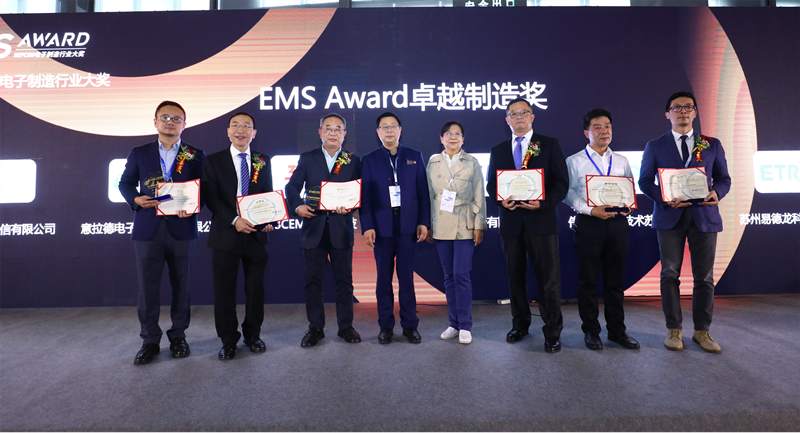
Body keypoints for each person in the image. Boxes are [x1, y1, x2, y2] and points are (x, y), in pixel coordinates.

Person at [639, 91, 731, 353]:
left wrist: (717, 193)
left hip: (704, 216)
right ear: (667, 114)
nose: (683, 111)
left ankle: (702, 331)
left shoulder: (711, 144)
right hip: (669, 216)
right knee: (670, 273)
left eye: (688, 107)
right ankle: (674, 330)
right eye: (677, 107)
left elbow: (724, 179)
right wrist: (665, 198)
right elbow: (645, 181)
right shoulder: (655, 146)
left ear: (695, 113)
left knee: (704, 277)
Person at [119, 100, 205, 365]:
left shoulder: (194, 154)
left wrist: (194, 206)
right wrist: (135, 199)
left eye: (176, 118)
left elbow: (204, 188)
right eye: (165, 117)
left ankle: (178, 336)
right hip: (148, 229)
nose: (170, 122)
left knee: (182, 285)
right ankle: (150, 340)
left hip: (182, 228)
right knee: (148, 288)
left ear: (184, 124)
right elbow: (125, 184)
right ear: (155, 121)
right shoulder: (140, 153)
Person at [486, 97, 568, 353]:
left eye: (524, 112)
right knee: (515, 278)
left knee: (548, 280)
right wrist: (501, 200)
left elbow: (561, 184)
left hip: (541, 224)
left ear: (532, 117)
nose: (519, 117)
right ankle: (520, 324)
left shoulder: (549, 144)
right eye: (514, 113)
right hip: (511, 225)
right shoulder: (499, 150)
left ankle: (552, 331)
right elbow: (491, 185)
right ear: (507, 120)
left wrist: (542, 203)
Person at [563, 108, 640, 351]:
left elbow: (629, 188)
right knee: (588, 281)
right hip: (589, 223)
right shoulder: (574, 161)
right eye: (597, 127)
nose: (604, 131)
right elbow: (567, 193)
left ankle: (617, 331)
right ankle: (591, 331)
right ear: (586, 132)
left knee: (615, 281)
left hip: (617, 224)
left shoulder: (621, 161)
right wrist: (590, 210)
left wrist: (629, 205)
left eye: (607, 126)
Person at [285, 113, 362, 348]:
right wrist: (297, 206)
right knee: (313, 281)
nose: (333, 132)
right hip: (314, 227)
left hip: (341, 228)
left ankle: (346, 327)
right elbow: (292, 187)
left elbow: (361, 193)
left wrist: (351, 206)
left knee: (344, 281)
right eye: (328, 128)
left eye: (338, 129)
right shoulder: (308, 158)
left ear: (344, 134)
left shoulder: (353, 160)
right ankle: (315, 328)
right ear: (320, 132)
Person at [202, 112, 273, 360]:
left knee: (255, 290)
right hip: (225, 235)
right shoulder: (213, 161)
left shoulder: (262, 160)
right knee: (224, 291)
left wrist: (269, 219)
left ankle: (253, 335)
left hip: (255, 235)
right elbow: (212, 199)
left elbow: (266, 194)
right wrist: (235, 220)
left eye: (246, 126)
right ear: (228, 131)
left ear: (254, 133)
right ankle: (228, 340)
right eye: (235, 125)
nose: (240, 130)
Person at [360, 112, 431, 345]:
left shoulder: (414, 156)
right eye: (384, 127)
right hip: (382, 230)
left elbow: (423, 193)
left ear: (400, 130)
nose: (389, 130)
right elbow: (365, 198)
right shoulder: (369, 160)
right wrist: (368, 226)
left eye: (393, 126)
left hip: (408, 228)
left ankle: (410, 326)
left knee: (406, 279)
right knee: (383, 280)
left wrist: (423, 222)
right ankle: (386, 327)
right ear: (377, 132)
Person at [426, 121, 486, 345]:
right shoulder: (433, 162)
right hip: (441, 225)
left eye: (457, 134)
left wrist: (479, 225)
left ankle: (465, 325)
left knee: (461, 275)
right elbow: (428, 195)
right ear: (441, 138)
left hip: (464, 224)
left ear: (463, 139)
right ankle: (453, 323)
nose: (453, 137)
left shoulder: (472, 162)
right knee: (448, 277)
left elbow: (479, 194)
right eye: (448, 134)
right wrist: (427, 224)